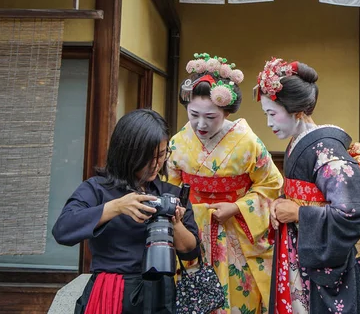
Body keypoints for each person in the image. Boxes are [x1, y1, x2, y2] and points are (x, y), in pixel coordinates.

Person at [255, 58, 360, 314]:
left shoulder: (328, 150)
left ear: (297, 110)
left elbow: (352, 213)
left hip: (331, 260)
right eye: (266, 114)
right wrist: (282, 202)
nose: (268, 123)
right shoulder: (298, 143)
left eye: (272, 114)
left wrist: (297, 213)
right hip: (303, 249)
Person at [167, 53, 283, 314]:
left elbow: (271, 184)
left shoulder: (247, 142)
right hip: (190, 227)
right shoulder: (177, 143)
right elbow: (171, 187)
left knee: (240, 299)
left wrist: (239, 207)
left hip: (234, 229)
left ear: (226, 111)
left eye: (210, 117)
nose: (200, 124)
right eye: (194, 114)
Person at [52, 109, 200, 314]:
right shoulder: (96, 189)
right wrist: (116, 207)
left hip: (160, 293)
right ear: (127, 153)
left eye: (162, 154)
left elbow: (191, 252)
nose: (156, 164)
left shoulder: (170, 194)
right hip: (110, 291)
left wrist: (175, 223)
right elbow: (63, 230)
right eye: (148, 157)